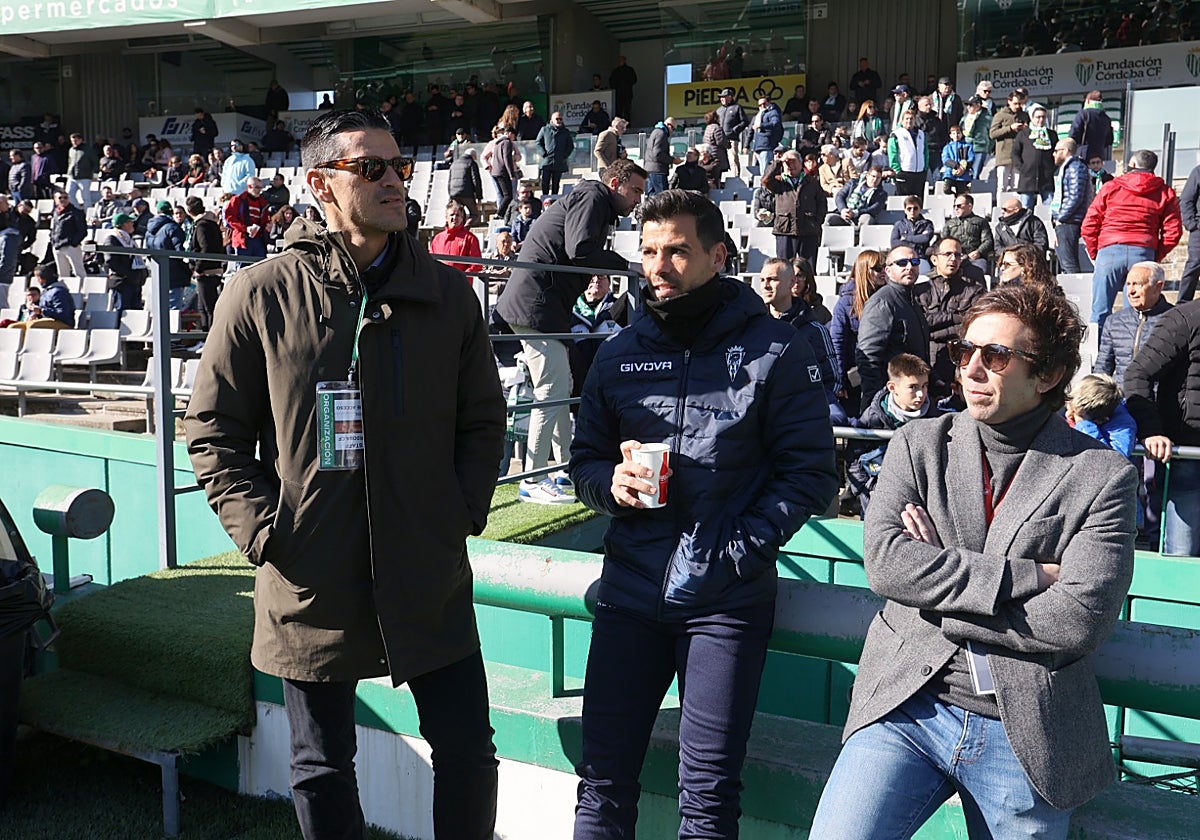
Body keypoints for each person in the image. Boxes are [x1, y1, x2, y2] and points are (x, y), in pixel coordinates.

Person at [184, 109, 504, 840]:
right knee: (322, 764)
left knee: (466, 752)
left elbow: (484, 420)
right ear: (320, 184)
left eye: (400, 167)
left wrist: (458, 510)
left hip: (428, 572)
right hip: (309, 576)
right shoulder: (259, 293)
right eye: (373, 168)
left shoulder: (448, 295)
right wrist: (268, 533)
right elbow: (212, 432)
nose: (396, 181)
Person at [812, 283, 1137, 839]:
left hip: (1027, 726)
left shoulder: (1101, 475)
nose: (972, 368)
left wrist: (938, 583)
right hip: (907, 701)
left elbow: (1077, 619)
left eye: (997, 355)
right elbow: (889, 565)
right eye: (965, 352)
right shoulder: (918, 442)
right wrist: (1027, 576)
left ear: (1048, 375)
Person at [569, 189, 839, 838]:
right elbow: (583, 464)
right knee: (601, 781)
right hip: (629, 591)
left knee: (709, 798)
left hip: (724, 603)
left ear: (718, 255)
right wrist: (613, 484)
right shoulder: (618, 352)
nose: (658, 266)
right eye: (649, 251)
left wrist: (737, 551)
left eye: (677, 251)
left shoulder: (777, 349)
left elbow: (810, 474)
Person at [493, 158, 647, 504]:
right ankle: (532, 479)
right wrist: (628, 267)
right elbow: (581, 250)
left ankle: (564, 469)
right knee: (552, 391)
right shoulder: (593, 195)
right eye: (634, 190)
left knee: (561, 388)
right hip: (536, 306)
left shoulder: (593, 199)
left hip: (544, 307)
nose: (638, 199)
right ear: (614, 183)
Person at [1082, 149, 1182, 333]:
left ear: (1133, 165)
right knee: (1136, 312)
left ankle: (1098, 356)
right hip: (1143, 250)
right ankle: (1132, 357)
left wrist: (1096, 251)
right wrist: (1154, 256)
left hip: (1109, 250)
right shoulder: (1165, 191)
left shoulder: (1111, 187)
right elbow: (1173, 232)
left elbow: (1090, 223)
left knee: (1099, 311)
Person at [848, 353, 939, 515]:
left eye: (924, 385)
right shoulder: (872, 418)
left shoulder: (935, 417)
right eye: (913, 387)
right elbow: (854, 458)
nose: (921, 394)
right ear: (892, 387)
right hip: (878, 503)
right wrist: (867, 489)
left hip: (921, 505)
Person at [855, 244, 930, 411]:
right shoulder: (882, 302)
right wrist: (877, 403)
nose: (910, 267)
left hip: (911, 399)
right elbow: (868, 357)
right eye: (902, 263)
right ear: (888, 270)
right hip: (889, 405)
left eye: (915, 262)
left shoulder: (910, 299)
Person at [916, 236, 987, 398]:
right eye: (947, 254)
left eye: (957, 255)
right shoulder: (920, 291)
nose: (953, 259)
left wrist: (931, 331)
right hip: (926, 362)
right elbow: (919, 325)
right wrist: (955, 317)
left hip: (960, 361)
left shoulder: (974, 290)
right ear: (934, 259)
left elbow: (971, 327)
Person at [762, 150, 826, 264]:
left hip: (809, 230)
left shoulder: (811, 181)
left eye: (793, 161)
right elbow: (765, 180)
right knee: (784, 268)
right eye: (787, 162)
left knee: (808, 269)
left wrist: (817, 221)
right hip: (784, 231)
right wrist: (778, 162)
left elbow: (822, 203)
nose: (790, 165)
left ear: (801, 164)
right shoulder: (778, 182)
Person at [1065, 373, 1136, 459]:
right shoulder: (1071, 404)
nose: (1068, 414)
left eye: (1075, 414)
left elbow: (1112, 459)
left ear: (1100, 420)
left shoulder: (1122, 426)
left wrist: (1084, 424)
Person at [1050, 137, 1091, 274]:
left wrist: (1061, 218)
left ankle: (1072, 293)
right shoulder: (1068, 168)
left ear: (1066, 151)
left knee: (1069, 264)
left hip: (1069, 221)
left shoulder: (1075, 167)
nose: (1053, 154)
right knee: (1065, 263)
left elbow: (1075, 196)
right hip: (1066, 220)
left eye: (1056, 151)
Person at [185, 195, 224, 332]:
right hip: (211, 270)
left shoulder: (202, 226)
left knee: (208, 307)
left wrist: (198, 267)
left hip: (207, 272)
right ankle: (205, 337)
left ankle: (211, 337)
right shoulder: (210, 224)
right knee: (203, 307)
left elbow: (205, 248)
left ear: (189, 211)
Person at [145, 199, 191, 310]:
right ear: (170, 212)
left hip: (157, 271)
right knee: (174, 310)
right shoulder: (173, 227)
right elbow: (180, 252)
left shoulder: (148, 231)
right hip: (174, 274)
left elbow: (148, 252)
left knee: (160, 307)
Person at [7, 264, 74, 331]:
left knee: (33, 326)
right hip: (46, 320)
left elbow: (63, 314)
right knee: (13, 327)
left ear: (41, 279)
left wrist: (41, 311)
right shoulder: (46, 291)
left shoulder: (59, 292)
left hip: (63, 323)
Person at [103, 212, 147, 313]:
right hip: (122, 283)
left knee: (136, 313)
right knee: (123, 312)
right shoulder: (112, 239)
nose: (133, 224)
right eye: (130, 222)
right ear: (123, 224)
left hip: (134, 282)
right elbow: (110, 261)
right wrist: (127, 274)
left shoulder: (129, 239)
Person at [939, 194, 993, 275]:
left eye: (959, 206)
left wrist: (979, 252)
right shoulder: (949, 223)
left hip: (975, 258)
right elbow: (943, 241)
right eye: (954, 206)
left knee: (979, 271)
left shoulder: (981, 222)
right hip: (954, 257)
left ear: (970, 206)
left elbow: (988, 241)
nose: (956, 208)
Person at [430, 200, 483, 277]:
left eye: (457, 215)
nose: (454, 218)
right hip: (440, 283)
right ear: (446, 218)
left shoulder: (470, 238)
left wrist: (462, 277)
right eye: (451, 215)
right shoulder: (437, 239)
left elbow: (476, 265)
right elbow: (431, 262)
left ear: (462, 218)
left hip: (460, 284)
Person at [224, 176, 271, 262]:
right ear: (249, 186)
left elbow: (266, 219)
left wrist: (268, 225)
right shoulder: (238, 200)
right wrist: (245, 228)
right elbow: (229, 217)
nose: (259, 190)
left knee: (259, 266)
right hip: (242, 239)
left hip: (258, 240)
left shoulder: (263, 203)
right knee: (243, 267)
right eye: (257, 187)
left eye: (261, 187)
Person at [989, 92, 1029, 193]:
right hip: (1004, 155)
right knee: (1002, 186)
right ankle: (1001, 207)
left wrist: (1026, 129)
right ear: (1009, 101)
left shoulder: (1024, 115)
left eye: (1020, 104)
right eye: (1015, 103)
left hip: (1019, 155)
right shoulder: (1000, 115)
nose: (1018, 106)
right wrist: (1010, 128)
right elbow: (993, 134)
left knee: (1016, 186)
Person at [887, 109, 928, 198]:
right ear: (902, 120)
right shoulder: (896, 134)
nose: (909, 121)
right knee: (904, 199)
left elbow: (925, 152)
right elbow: (892, 153)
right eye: (906, 119)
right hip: (904, 172)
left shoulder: (921, 134)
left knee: (918, 200)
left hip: (919, 172)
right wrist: (897, 170)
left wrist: (925, 167)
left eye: (911, 119)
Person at [49, 190, 87, 280]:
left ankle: (84, 292)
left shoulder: (76, 212)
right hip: (57, 247)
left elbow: (82, 231)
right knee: (62, 275)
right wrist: (53, 241)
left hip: (71, 247)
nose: (63, 200)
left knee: (79, 273)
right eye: (60, 198)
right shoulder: (55, 212)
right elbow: (53, 229)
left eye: (65, 197)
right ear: (55, 199)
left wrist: (73, 243)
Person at [536, 111, 574, 197]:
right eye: (557, 119)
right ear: (551, 120)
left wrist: (564, 156)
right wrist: (543, 153)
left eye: (560, 119)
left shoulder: (565, 132)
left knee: (556, 183)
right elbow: (538, 142)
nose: (559, 121)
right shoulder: (544, 129)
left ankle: (554, 199)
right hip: (547, 161)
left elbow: (570, 146)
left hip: (559, 162)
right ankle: (544, 199)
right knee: (545, 182)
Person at [1070, 91, 1114, 162]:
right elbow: (1109, 140)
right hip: (1099, 156)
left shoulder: (1083, 114)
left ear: (1087, 101)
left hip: (1083, 155)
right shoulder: (1107, 118)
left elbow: (1073, 134)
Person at [891, 196, 936, 266]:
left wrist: (905, 238)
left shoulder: (927, 223)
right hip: (902, 258)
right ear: (905, 210)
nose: (912, 211)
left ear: (920, 209)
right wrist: (917, 240)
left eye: (915, 208)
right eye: (909, 208)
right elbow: (894, 243)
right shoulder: (898, 224)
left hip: (920, 257)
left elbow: (925, 238)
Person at [1178, 160, 1200, 302]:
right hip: (1199, 230)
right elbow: (1186, 200)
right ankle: (1182, 303)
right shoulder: (1198, 172)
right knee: (1194, 265)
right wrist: (1191, 224)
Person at [716, 87, 748, 179]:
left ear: (730, 97)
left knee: (733, 159)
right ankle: (720, 179)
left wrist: (734, 130)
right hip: (720, 140)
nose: (722, 99)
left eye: (724, 97)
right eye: (721, 97)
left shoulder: (737, 107)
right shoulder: (719, 110)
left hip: (732, 138)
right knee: (720, 160)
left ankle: (736, 177)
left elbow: (744, 121)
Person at [644, 117, 679, 197]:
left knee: (651, 199)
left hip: (650, 169)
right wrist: (672, 160)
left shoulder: (655, 132)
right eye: (673, 129)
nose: (672, 132)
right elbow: (658, 154)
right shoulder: (661, 134)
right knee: (663, 198)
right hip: (658, 170)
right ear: (668, 125)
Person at [448, 148, 483, 225]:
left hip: (454, 193)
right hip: (467, 193)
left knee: (458, 214)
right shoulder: (471, 163)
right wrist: (479, 197)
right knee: (474, 214)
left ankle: (459, 231)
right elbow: (476, 181)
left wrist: (450, 194)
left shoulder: (454, 163)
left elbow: (449, 180)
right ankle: (466, 228)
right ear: (473, 156)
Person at [751, 97, 784, 178]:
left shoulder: (773, 112)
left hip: (767, 145)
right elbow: (752, 131)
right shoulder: (758, 115)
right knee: (762, 172)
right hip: (758, 146)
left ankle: (767, 190)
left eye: (764, 104)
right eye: (759, 105)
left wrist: (761, 125)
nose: (762, 106)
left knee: (767, 172)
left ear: (769, 102)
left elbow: (775, 124)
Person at [961, 96, 993, 180]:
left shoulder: (987, 118)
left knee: (975, 173)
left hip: (980, 147)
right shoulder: (965, 118)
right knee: (965, 171)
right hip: (966, 147)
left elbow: (992, 134)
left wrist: (988, 147)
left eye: (971, 105)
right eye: (967, 105)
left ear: (978, 105)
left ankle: (974, 189)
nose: (968, 107)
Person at [65, 133, 97, 208]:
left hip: (84, 176)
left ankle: (88, 214)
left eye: (76, 140)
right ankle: (78, 210)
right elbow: (70, 162)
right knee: (68, 195)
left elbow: (95, 161)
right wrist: (68, 173)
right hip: (72, 177)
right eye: (72, 141)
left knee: (85, 197)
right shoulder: (71, 150)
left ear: (81, 140)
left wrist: (95, 174)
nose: (74, 142)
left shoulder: (88, 149)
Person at [939, 125, 974, 195]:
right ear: (950, 135)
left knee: (962, 193)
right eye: (954, 133)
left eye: (958, 133)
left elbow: (971, 158)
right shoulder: (947, 147)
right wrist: (956, 166)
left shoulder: (967, 146)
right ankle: (954, 196)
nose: (956, 135)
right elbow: (945, 159)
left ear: (961, 134)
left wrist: (963, 168)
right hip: (950, 173)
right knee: (946, 189)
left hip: (963, 175)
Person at [609, 55, 637, 120]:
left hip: (627, 93)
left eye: (621, 60)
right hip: (619, 94)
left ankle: (627, 125)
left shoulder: (629, 70)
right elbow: (611, 82)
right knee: (619, 110)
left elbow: (634, 79)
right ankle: (619, 125)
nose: (620, 61)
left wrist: (626, 84)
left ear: (624, 61)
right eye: (619, 60)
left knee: (627, 110)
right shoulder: (616, 71)